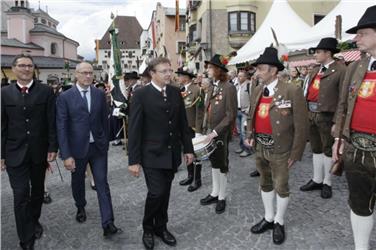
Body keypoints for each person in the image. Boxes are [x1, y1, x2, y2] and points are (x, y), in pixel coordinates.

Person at [128, 57, 194, 250]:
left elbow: (183, 123)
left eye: (169, 70)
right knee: (156, 192)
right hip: (151, 154)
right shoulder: (141, 94)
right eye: (164, 71)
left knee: (165, 193)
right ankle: (148, 228)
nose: (168, 74)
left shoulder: (174, 92)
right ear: (152, 74)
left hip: (172, 153)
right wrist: (134, 160)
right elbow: (134, 129)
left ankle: (161, 227)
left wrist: (188, 149)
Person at [244, 47, 308, 245]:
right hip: (261, 145)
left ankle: (279, 221)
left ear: (273, 70)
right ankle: (269, 217)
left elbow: (301, 124)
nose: (257, 72)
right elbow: (251, 114)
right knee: (265, 182)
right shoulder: (256, 90)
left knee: (281, 186)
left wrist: (296, 154)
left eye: (261, 69)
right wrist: (249, 134)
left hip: (281, 148)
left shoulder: (292, 90)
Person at [56, 62, 121, 237]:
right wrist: (66, 154)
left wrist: (105, 141)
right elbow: (61, 126)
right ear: (76, 75)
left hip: (98, 148)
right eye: (84, 73)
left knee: (102, 183)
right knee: (78, 182)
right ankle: (80, 206)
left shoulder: (99, 94)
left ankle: (108, 223)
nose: (88, 76)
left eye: (91, 73)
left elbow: (104, 120)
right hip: (76, 149)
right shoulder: (65, 97)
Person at [1, 54, 58, 250]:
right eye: (22, 65)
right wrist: (1, 155)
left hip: (38, 152)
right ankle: (25, 238)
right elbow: (2, 127)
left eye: (29, 65)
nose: (26, 69)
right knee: (20, 194)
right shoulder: (4, 93)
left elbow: (51, 122)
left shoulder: (46, 91)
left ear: (33, 68)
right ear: (14, 68)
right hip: (14, 153)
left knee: (37, 192)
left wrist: (52, 147)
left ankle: (34, 220)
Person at [332, 6, 376, 250]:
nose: (356, 38)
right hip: (356, 147)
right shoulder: (355, 67)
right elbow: (342, 106)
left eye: (363, 33)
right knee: (359, 202)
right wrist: (339, 138)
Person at [300, 37, 347, 199]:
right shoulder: (315, 69)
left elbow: (343, 98)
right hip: (311, 113)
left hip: (327, 115)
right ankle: (317, 179)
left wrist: (337, 122)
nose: (316, 54)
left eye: (319, 52)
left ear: (328, 53)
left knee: (327, 150)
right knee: (316, 148)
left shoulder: (341, 70)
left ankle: (327, 182)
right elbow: (306, 91)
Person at [199, 54, 237, 214]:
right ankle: (215, 192)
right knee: (214, 163)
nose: (208, 70)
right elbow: (208, 109)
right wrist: (205, 129)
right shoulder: (214, 86)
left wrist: (215, 132)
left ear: (218, 70)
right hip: (210, 132)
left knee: (222, 165)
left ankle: (222, 196)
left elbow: (230, 114)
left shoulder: (228, 87)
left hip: (220, 134)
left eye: (210, 67)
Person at [176, 67, 204, 192]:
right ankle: (190, 176)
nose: (178, 78)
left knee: (196, 154)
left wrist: (198, 131)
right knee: (186, 152)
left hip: (193, 128)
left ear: (186, 77)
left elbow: (200, 112)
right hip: (183, 128)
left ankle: (197, 179)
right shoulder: (180, 90)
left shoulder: (197, 90)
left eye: (180, 75)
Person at [235, 70, 253, 157]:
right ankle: (242, 147)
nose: (239, 77)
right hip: (237, 111)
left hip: (245, 112)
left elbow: (252, 99)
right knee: (240, 131)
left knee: (244, 131)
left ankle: (247, 149)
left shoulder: (249, 85)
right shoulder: (237, 85)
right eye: (238, 76)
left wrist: (248, 109)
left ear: (245, 77)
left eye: (241, 76)